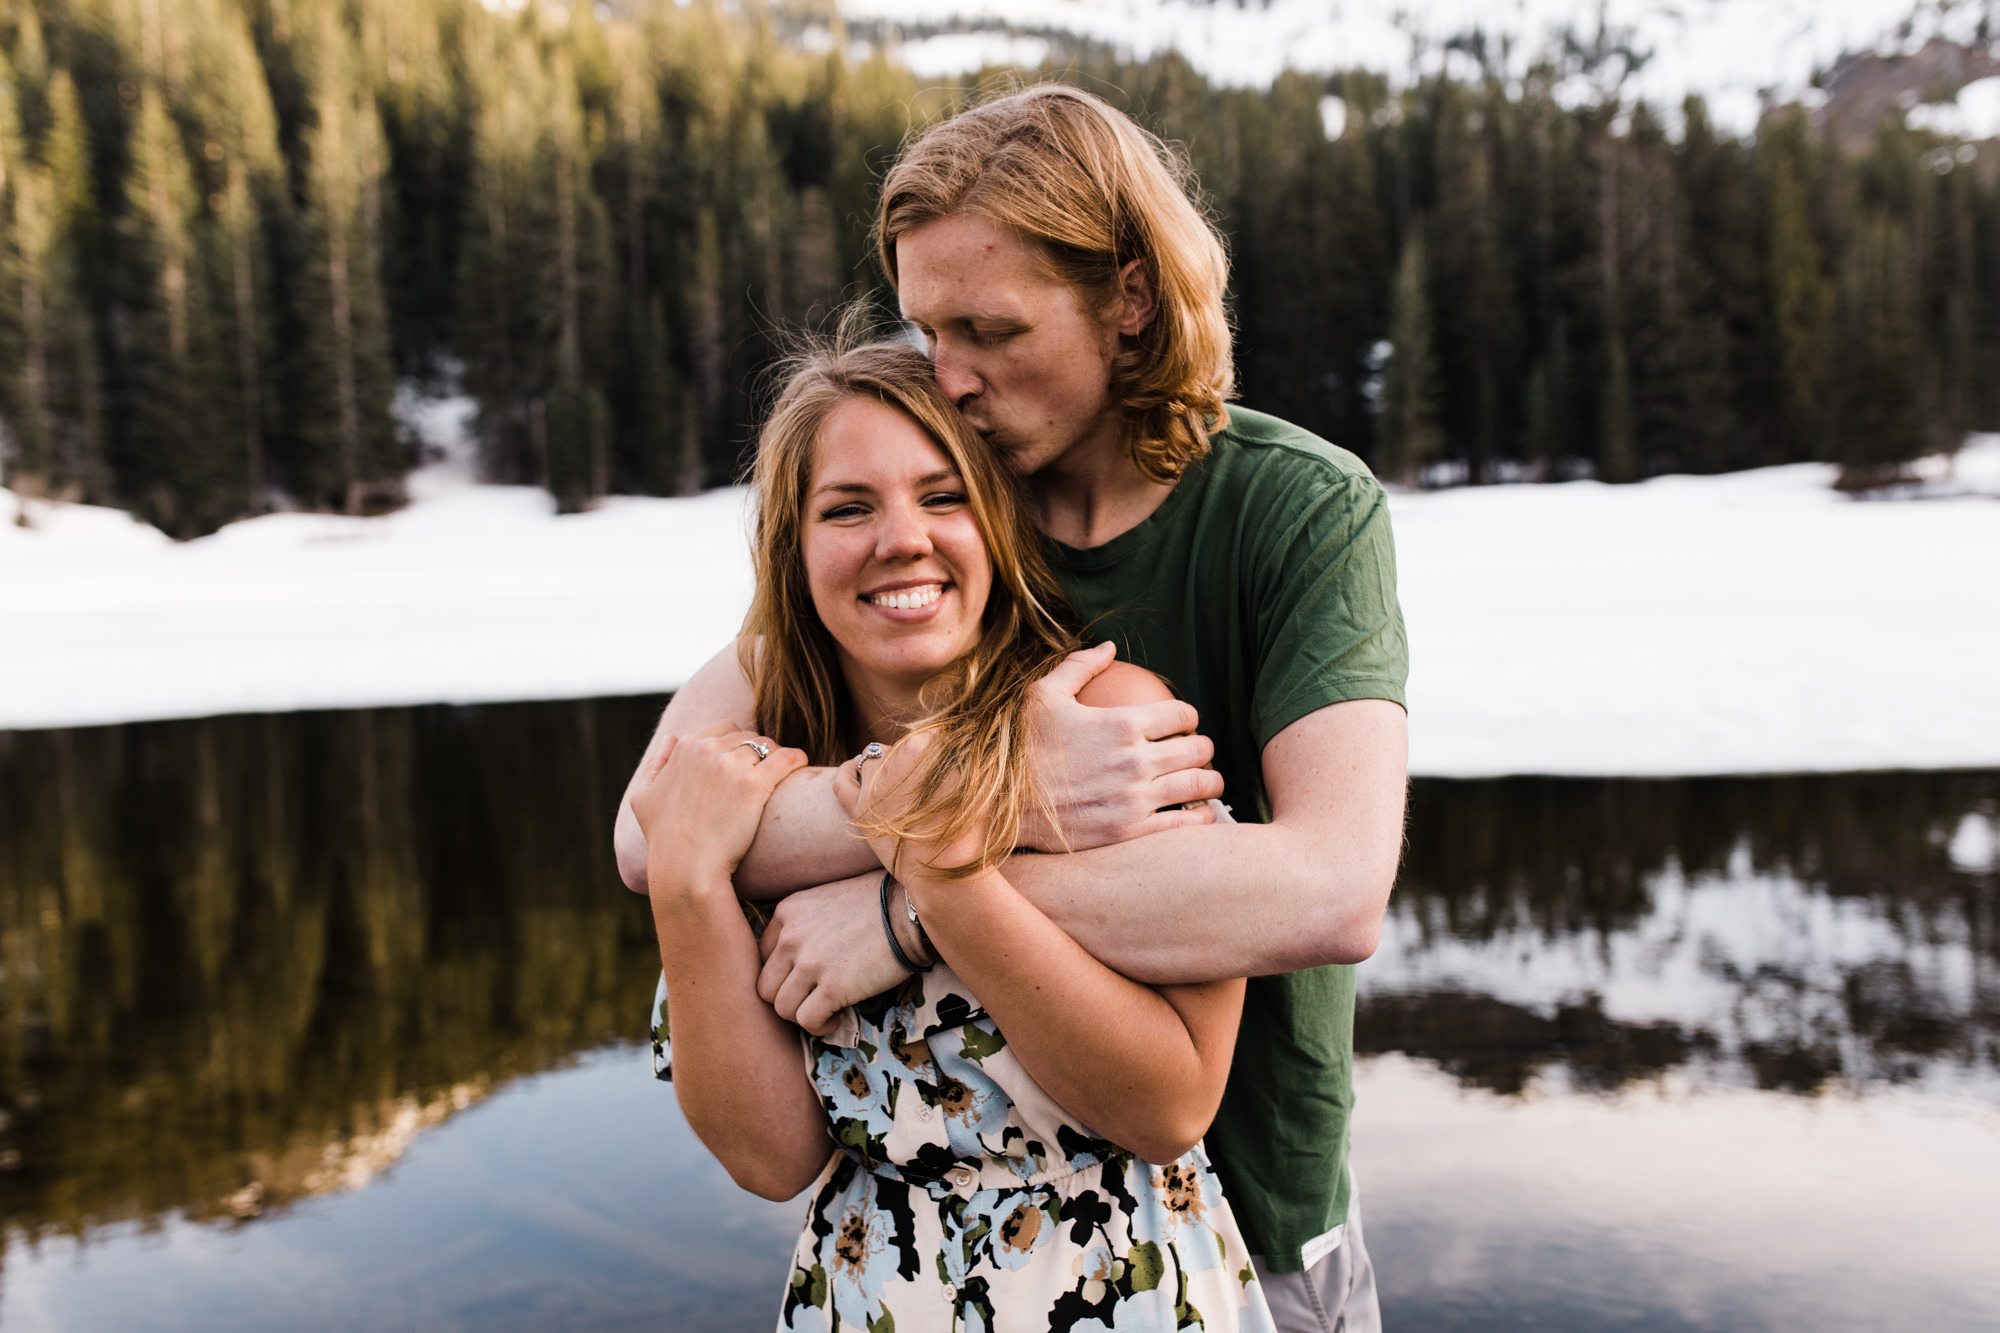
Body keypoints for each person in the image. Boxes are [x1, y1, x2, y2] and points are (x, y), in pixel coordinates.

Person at [618, 85, 1408, 1332]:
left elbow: (1331, 889)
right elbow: (652, 826)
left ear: (1128, 297)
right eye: (928, 329)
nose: (955, 376)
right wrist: (993, 793)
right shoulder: (932, 497)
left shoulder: (1294, 511)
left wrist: (909, 901)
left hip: (1238, 1199)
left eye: (990, 328)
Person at [630, 339, 1274, 1330]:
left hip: (1120, 1288)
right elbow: (772, 1157)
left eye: (943, 497)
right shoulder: (758, 776)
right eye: (848, 508)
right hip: (874, 1293)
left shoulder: (1106, 726)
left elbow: (1167, 1108)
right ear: (792, 551)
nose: (901, 539)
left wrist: (934, 871)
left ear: (1000, 522)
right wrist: (686, 882)